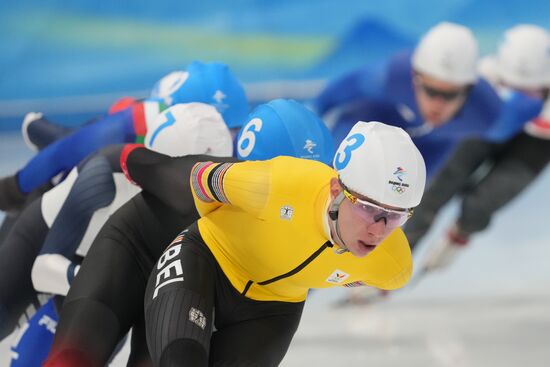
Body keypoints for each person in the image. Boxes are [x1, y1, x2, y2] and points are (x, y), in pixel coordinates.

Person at [107, 120, 426, 366]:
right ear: (335, 190)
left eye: (396, 216)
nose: (379, 229)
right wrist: (127, 158)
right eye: (369, 208)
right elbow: (195, 178)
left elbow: (350, 271)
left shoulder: (392, 265)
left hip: (271, 312)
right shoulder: (275, 184)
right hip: (207, 262)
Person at [43, 99, 335, 367]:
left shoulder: (332, 216)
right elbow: (126, 158)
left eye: (319, 188)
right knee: (71, 360)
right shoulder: (203, 181)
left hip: (199, 286)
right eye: (297, 187)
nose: (310, 200)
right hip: (133, 258)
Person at [1, 102, 234, 367]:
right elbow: (43, 268)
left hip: (107, 266)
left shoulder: (209, 201)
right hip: (44, 245)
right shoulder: (106, 175)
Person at [0, 61, 249, 213]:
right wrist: (16, 187)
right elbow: (74, 148)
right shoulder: (132, 121)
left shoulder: (138, 119)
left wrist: (18, 186)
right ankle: (59, 140)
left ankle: (59, 139)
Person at [312, 22, 543, 180]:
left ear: (468, 90)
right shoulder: (393, 76)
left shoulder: (488, 115)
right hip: (367, 121)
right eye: (431, 91)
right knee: (331, 174)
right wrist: (313, 114)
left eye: (450, 94)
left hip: (429, 145)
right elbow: (339, 90)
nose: (438, 104)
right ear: (415, 80)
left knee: (401, 200)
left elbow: (527, 105)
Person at [404, 24, 550, 271]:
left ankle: (461, 232)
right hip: (488, 129)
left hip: (536, 145)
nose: (519, 98)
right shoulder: (483, 73)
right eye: (509, 86)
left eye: (529, 91)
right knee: (438, 188)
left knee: (479, 205)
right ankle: (402, 250)